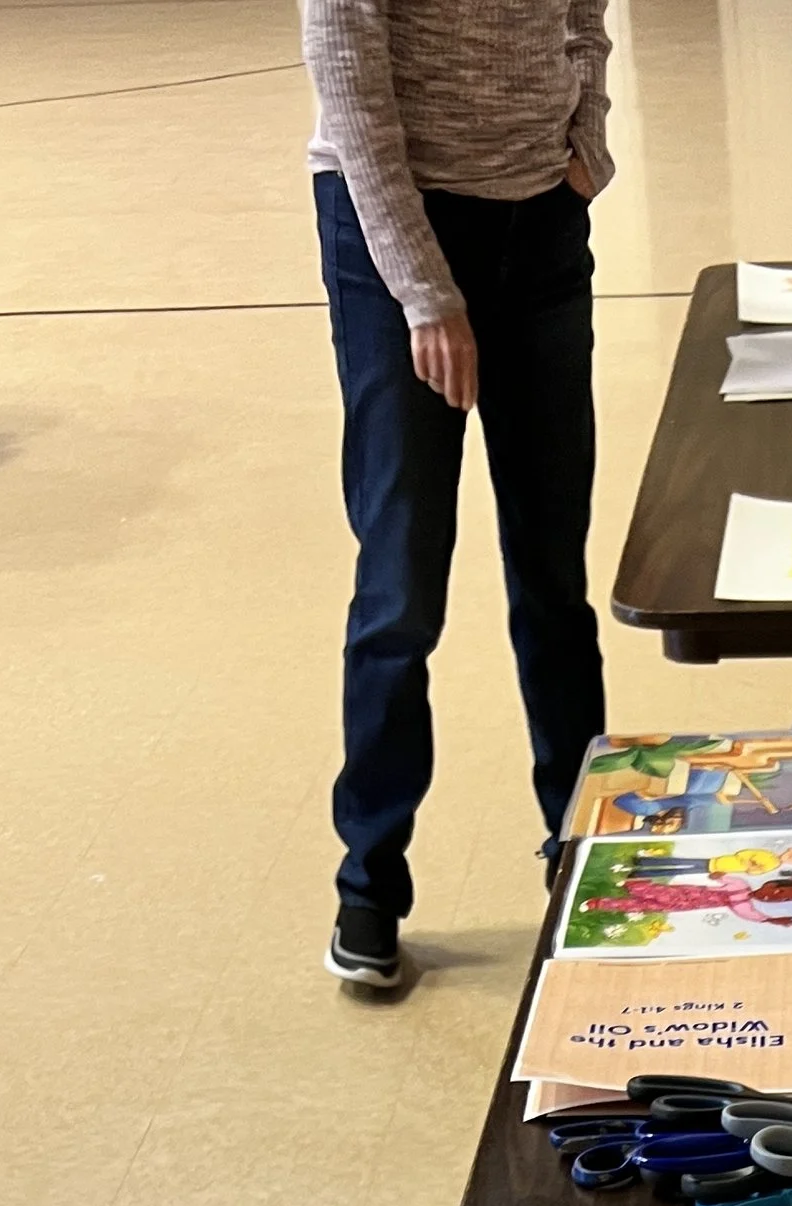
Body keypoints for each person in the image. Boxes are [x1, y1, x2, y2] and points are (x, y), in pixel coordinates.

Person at [303, 0, 613, 990]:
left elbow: (585, 15)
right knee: (401, 586)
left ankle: (581, 850)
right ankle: (369, 878)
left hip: (542, 222)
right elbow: (348, 81)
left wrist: (587, 144)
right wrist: (427, 295)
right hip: (393, 228)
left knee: (553, 575)